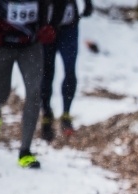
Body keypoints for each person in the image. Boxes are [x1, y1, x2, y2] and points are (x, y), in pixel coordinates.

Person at [0, 0, 63, 168]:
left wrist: (52, 26)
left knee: (34, 92)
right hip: (2, 44)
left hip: (31, 44)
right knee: (3, 93)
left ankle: (25, 151)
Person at [39, 0, 92, 141]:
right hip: (46, 29)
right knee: (47, 72)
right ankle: (46, 114)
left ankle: (66, 114)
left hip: (68, 27)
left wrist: (88, 4)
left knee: (70, 70)